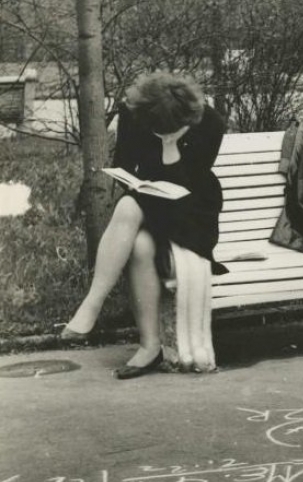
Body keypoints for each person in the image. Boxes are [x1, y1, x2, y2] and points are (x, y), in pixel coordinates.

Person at [59, 72, 227, 378]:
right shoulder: (134, 112)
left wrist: (169, 145)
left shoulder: (211, 123)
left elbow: (191, 180)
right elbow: (125, 162)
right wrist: (137, 178)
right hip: (150, 199)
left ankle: (93, 305)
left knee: (129, 212)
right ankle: (149, 345)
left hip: (193, 211)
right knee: (137, 238)